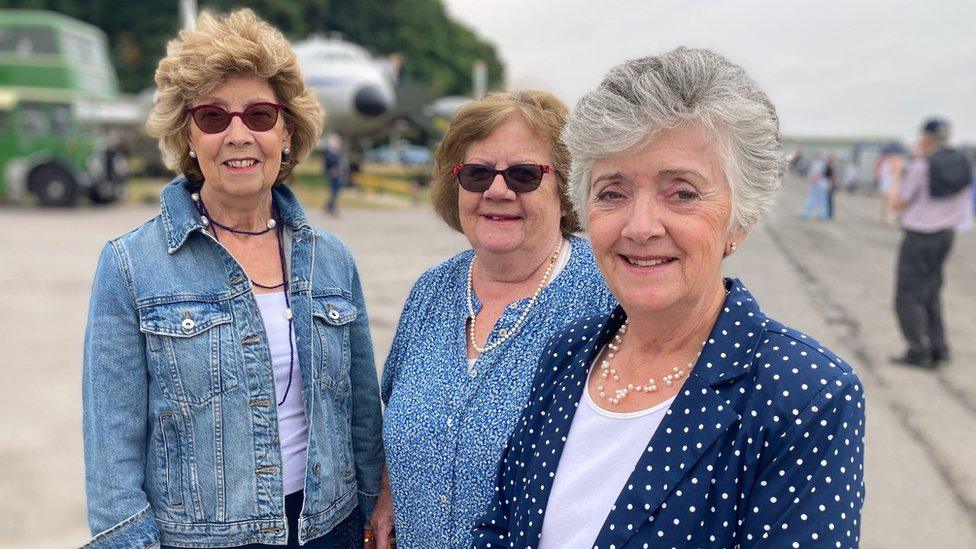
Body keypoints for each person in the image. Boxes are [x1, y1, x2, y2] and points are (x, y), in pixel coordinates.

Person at [473, 48, 865, 548]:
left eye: (682, 193)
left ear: (740, 219)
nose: (640, 227)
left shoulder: (805, 394)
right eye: (612, 192)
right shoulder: (568, 352)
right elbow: (501, 525)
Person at [82, 10, 383, 548]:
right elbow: (112, 456)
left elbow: (360, 420)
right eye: (214, 117)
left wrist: (372, 515)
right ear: (187, 135)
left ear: (287, 132)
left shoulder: (332, 259)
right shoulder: (131, 265)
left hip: (330, 530)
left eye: (261, 115)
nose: (239, 134)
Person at [375, 91, 616, 548]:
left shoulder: (606, 298)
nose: (497, 190)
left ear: (567, 191)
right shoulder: (432, 290)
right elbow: (397, 411)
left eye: (524, 175)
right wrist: (390, 492)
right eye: (477, 173)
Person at [888, 118, 973, 367]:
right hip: (946, 235)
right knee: (932, 290)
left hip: (919, 235)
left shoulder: (921, 166)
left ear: (927, 138)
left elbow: (897, 203)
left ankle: (918, 350)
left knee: (908, 294)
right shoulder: (963, 163)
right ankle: (939, 346)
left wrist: (895, 174)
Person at [801, 152, 831, 220]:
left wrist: (813, 182)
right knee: (823, 200)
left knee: (811, 199)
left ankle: (807, 214)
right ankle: (823, 215)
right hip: (823, 185)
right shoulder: (823, 164)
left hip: (817, 184)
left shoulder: (818, 164)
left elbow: (817, 174)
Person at [323, 134, 344, 215]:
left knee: (336, 192)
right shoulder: (330, 153)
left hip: (337, 175)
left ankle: (330, 207)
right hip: (334, 175)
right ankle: (329, 208)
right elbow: (330, 165)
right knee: (334, 192)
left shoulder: (335, 152)